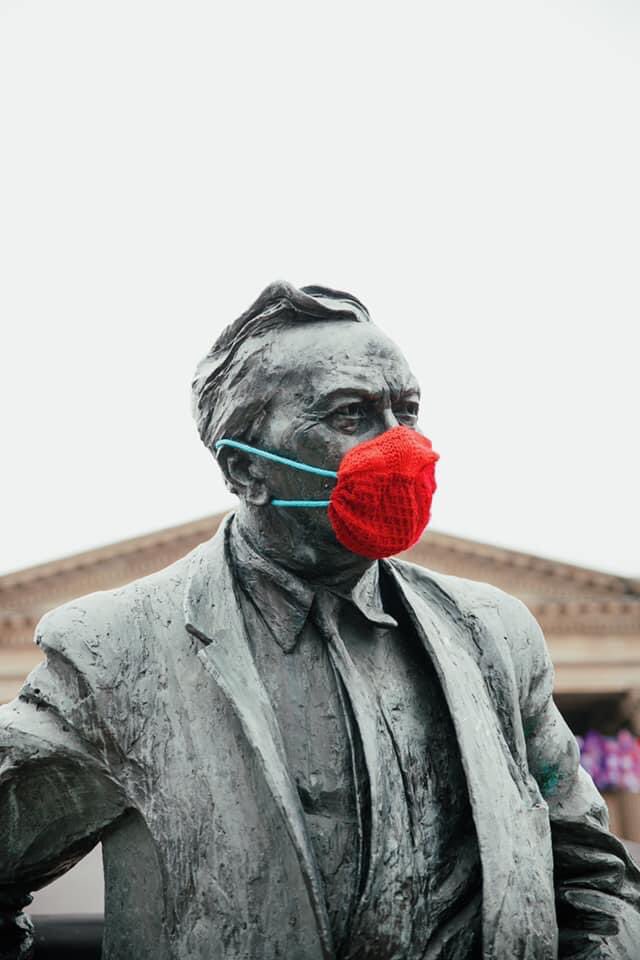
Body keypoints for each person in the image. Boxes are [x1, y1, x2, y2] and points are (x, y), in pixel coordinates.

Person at [1, 281, 639, 959]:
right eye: (350, 414)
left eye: (408, 410)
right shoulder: (117, 653)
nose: (403, 447)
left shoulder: (495, 636)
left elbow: (593, 881)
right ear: (246, 470)